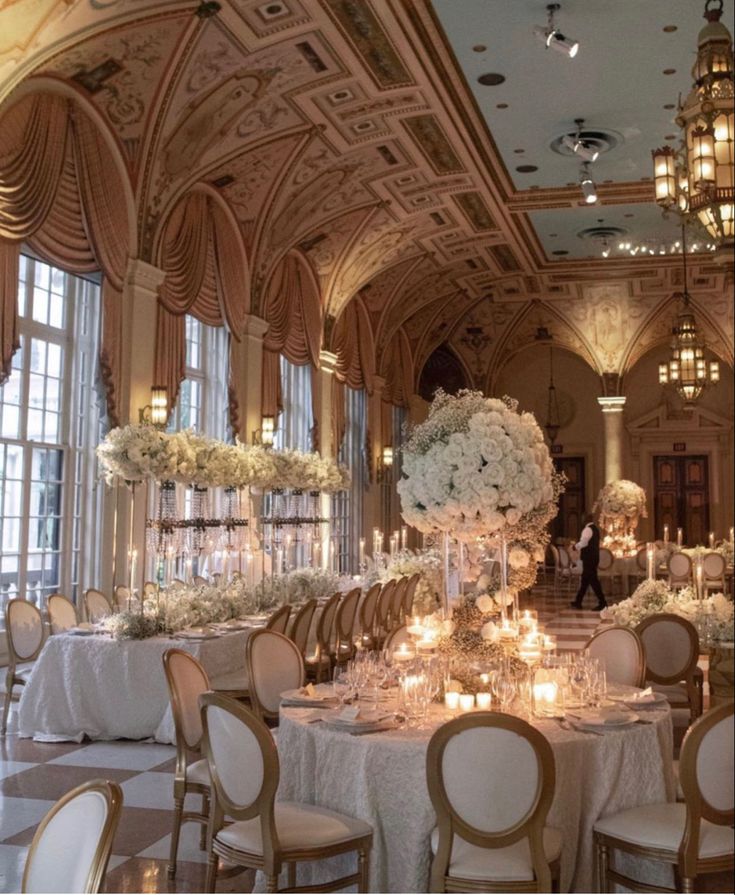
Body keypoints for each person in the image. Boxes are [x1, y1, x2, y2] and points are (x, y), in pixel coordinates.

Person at [570, 514, 607, 611]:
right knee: (585, 580)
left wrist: (575, 547)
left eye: (583, 518)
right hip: (593, 557)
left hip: (589, 558)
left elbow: (584, 542)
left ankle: (603, 603)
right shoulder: (595, 529)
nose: (582, 519)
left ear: (585, 519)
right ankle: (578, 601)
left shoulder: (587, 529)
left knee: (593, 581)